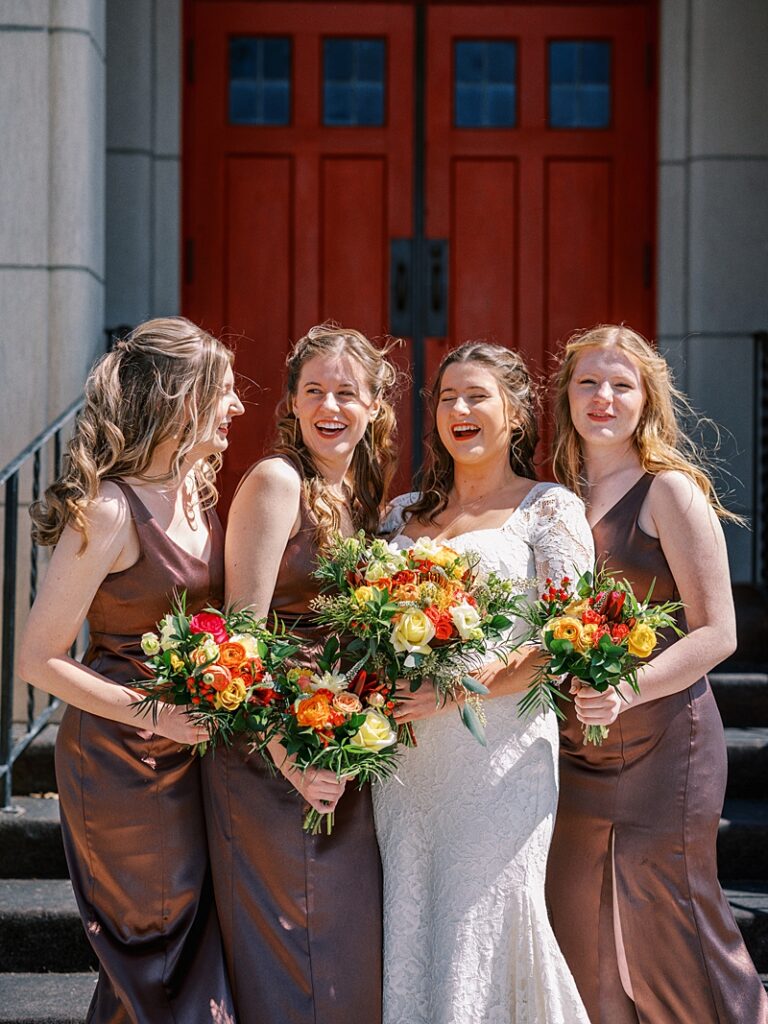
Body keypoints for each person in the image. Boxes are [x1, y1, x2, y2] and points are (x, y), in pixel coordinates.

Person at [18, 317, 243, 1023]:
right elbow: (38, 658)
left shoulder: (199, 494)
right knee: (154, 945)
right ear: (182, 398)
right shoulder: (111, 508)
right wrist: (156, 713)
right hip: (119, 762)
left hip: (189, 754)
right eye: (224, 392)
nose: (237, 406)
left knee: (177, 953)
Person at [546, 323, 768, 1024]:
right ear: (567, 397)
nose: (603, 397)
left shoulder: (668, 492)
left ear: (647, 398)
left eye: (621, 384)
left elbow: (719, 631)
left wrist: (627, 687)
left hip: (664, 742)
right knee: (579, 920)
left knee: (669, 915)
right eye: (588, 382)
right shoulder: (551, 499)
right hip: (576, 748)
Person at [373, 342, 593, 1024]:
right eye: (446, 398)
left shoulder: (549, 509)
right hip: (407, 761)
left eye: (478, 396)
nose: (459, 410)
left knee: (489, 913)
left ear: (517, 413)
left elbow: (567, 635)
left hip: (500, 756)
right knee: (413, 918)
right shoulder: (400, 514)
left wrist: (460, 689)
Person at [202, 323, 398, 1024]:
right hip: (269, 752)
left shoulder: (357, 496)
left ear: (374, 404)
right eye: (314, 390)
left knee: (342, 958)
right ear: (289, 404)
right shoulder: (277, 482)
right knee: (296, 961)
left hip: (338, 746)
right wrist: (289, 758)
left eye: (347, 392)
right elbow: (239, 638)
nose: (330, 406)